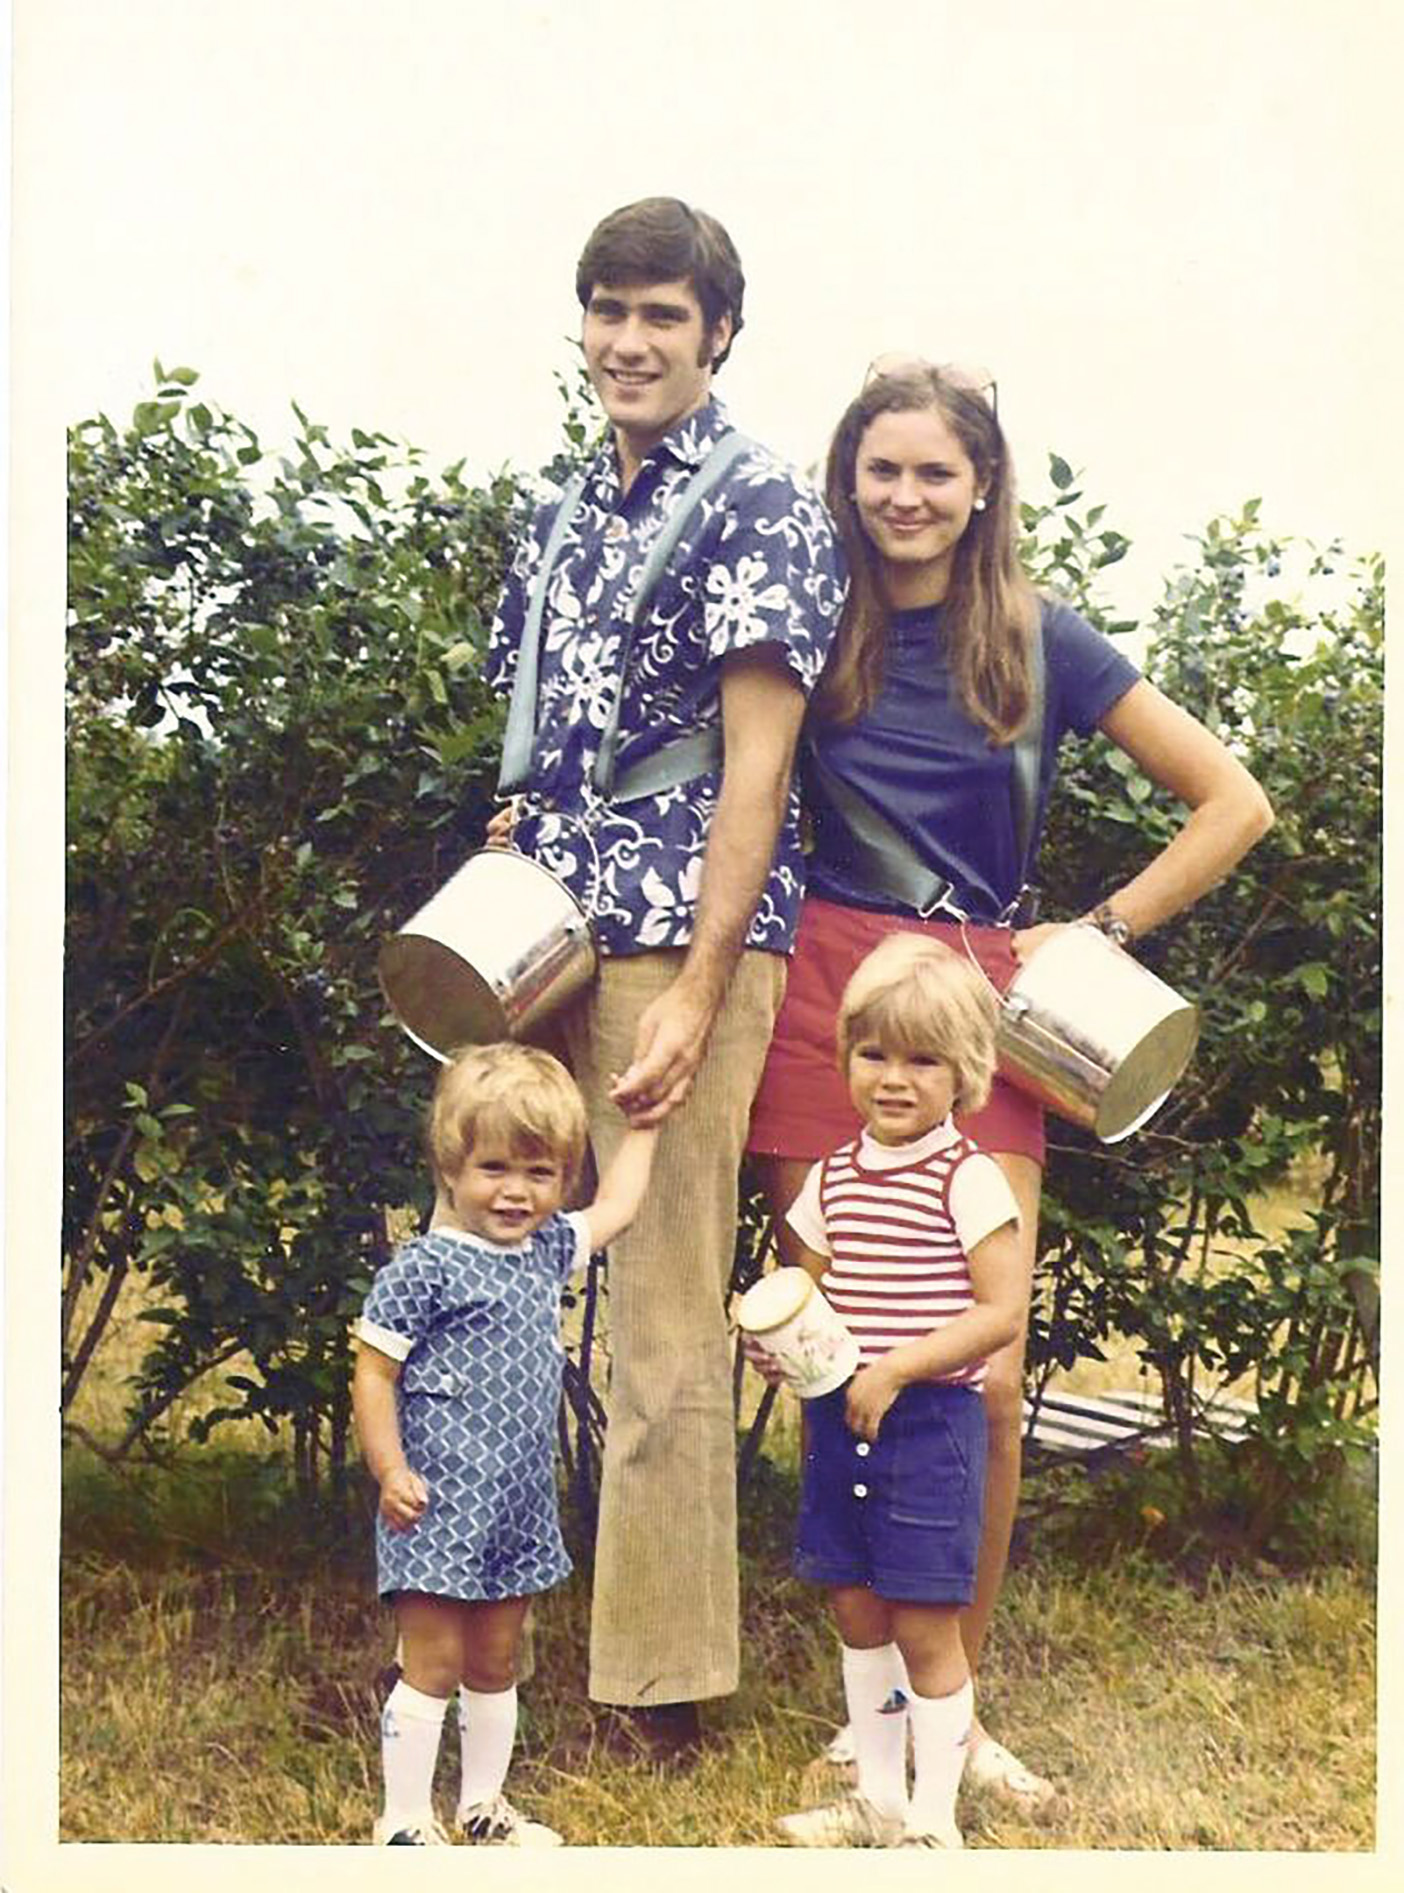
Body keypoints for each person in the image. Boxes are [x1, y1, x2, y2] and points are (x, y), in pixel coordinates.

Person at [747, 358, 1274, 1806]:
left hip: (979, 1006)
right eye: (881, 469)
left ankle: (954, 1718)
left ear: (982, 486)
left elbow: (1233, 798)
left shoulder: (1045, 637)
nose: (906, 496)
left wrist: (1098, 929)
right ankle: (868, 1723)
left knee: (977, 1375)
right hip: (824, 1000)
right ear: (846, 481)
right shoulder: (811, 620)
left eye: (934, 471)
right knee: (833, 1350)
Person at [482, 197, 844, 1759]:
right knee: (504, 1268)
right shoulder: (563, 511)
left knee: (662, 1311)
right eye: (608, 311)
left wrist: (701, 988)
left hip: (680, 943)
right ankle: (483, 1639)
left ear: (719, 338)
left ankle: (663, 1685)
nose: (631, 342)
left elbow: (755, 773)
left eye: (664, 318)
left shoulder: (761, 500)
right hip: (541, 939)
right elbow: (556, 738)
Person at [751, 933, 1025, 1849]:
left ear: (966, 1072)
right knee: (855, 1607)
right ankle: (876, 1793)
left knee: (923, 1620)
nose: (894, 1078)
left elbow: (1001, 1313)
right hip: (844, 1417)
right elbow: (814, 1296)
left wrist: (901, 1365)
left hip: (929, 1423)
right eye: (874, 1053)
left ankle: (934, 1819)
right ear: (845, 1059)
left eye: (923, 1059)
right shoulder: (831, 1177)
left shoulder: (969, 1177)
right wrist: (782, 1346)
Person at [352, 1042, 658, 1845]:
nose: (516, 1191)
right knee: (434, 1661)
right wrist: (390, 1468)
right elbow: (374, 1375)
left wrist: (646, 1127)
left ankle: (482, 1806)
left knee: (495, 1660)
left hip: (516, 1503)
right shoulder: (424, 1269)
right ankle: (405, 1821)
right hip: (434, 1499)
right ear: (450, 1167)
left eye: (540, 1172)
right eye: (494, 1167)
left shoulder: (547, 1249)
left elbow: (620, 1205)